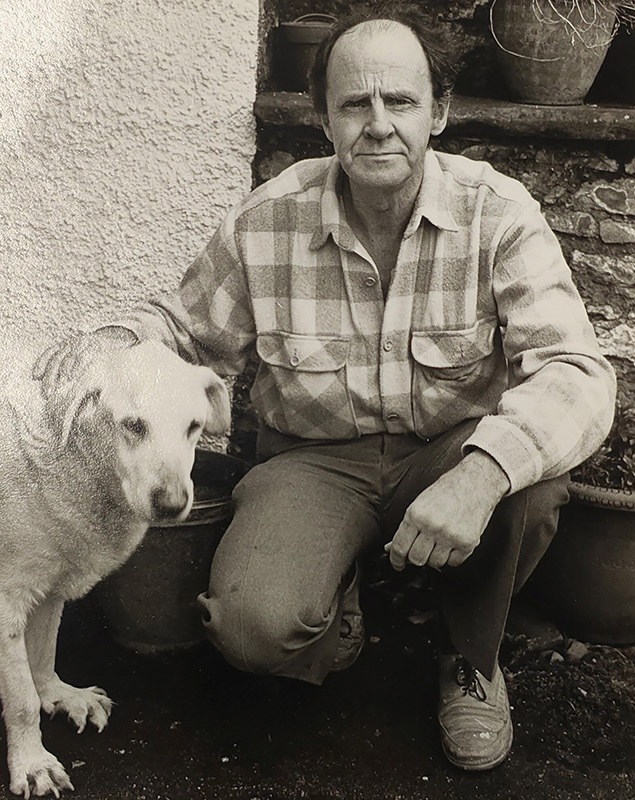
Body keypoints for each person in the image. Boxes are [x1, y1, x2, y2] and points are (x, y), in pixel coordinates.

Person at [38, 5, 616, 771]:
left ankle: (468, 657)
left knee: (528, 485)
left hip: (445, 450)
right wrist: (99, 352)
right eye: (353, 104)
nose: (377, 125)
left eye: (400, 101)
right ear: (323, 119)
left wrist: (481, 474)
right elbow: (181, 329)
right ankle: (334, 608)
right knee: (254, 630)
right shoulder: (267, 220)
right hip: (313, 461)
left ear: (438, 112)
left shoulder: (498, 214)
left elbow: (575, 370)